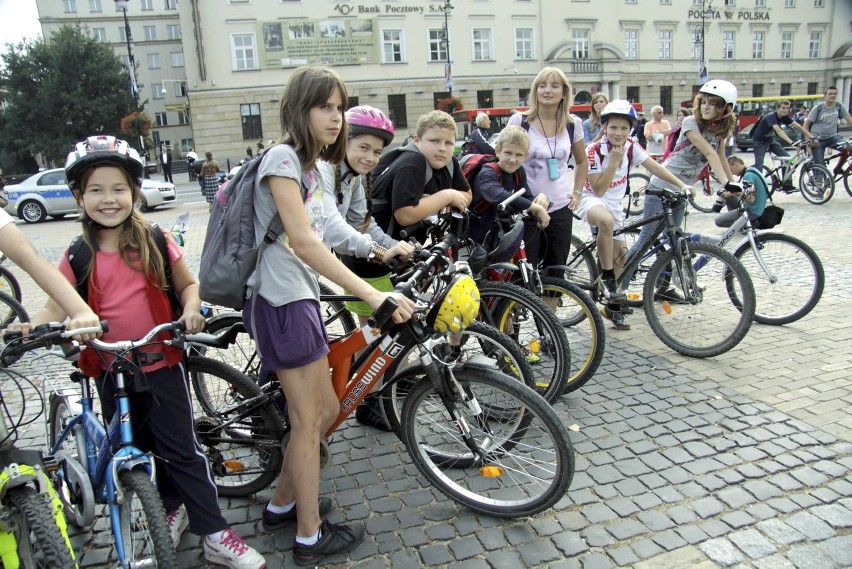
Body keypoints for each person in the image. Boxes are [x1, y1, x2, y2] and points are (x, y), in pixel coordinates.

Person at [18, 135, 266, 568]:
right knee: (141, 446)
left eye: (118, 189)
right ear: (79, 196)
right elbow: (55, 303)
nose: (108, 199)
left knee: (183, 450)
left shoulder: (153, 238)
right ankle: (167, 507)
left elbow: (188, 285)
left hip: (160, 362)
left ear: (134, 192)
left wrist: (190, 310)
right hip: (108, 367)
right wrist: (34, 325)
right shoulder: (77, 253)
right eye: (96, 190)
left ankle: (214, 532)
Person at [243, 66, 413, 565]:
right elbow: (303, 239)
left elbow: (331, 224)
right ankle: (309, 536)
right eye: (325, 107)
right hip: (279, 301)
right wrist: (371, 293)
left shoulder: (311, 165)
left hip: (300, 298)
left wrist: (376, 250)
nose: (336, 117)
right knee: (308, 419)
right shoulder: (281, 158)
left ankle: (283, 504)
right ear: (301, 109)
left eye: (340, 107)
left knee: (327, 412)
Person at [317, 105, 416, 429]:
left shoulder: (353, 178)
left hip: (308, 260)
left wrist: (394, 247)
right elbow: (330, 225)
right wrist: (376, 251)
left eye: (377, 151)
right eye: (363, 147)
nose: (372, 157)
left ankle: (366, 397)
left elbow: (362, 224)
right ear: (343, 141)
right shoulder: (322, 169)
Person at [573, 100, 695, 331]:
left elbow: (655, 167)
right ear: (605, 127)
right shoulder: (593, 150)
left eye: (624, 128)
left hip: (615, 204)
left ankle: (612, 305)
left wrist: (682, 185)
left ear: (630, 129)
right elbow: (598, 189)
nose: (618, 133)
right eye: (613, 128)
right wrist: (615, 162)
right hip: (591, 200)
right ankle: (607, 278)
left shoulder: (631, 146)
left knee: (622, 258)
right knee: (606, 223)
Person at [623, 80, 742, 299]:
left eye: (713, 104)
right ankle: (618, 288)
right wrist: (726, 183)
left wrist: (735, 182)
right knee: (646, 240)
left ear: (726, 108)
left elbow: (722, 157)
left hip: (681, 191)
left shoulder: (720, 130)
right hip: (661, 187)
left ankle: (665, 285)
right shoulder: (690, 122)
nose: (706, 107)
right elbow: (709, 154)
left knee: (674, 241)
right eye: (703, 102)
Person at [506, 66, 588, 293]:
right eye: (542, 86)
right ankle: (513, 325)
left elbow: (582, 162)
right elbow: (502, 160)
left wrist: (578, 192)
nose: (547, 90)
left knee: (556, 274)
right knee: (523, 275)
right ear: (535, 91)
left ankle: (549, 326)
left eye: (554, 86)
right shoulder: (520, 121)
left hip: (560, 206)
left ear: (564, 92)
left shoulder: (573, 124)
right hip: (526, 207)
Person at [468, 125, 550, 244]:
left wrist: (540, 196)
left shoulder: (518, 171)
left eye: (518, 155)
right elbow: (499, 195)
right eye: (508, 153)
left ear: (525, 156)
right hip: (477, 233)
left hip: (501, 230)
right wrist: (536, 207)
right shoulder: (487, 172)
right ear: (498, 151)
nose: (512, 159)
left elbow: (525, 196)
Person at [751, 99, 812, 171]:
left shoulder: (785, 116)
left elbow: (798, 126)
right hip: (759, 142)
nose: (785, 110)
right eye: (783, 108)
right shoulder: (770, 116)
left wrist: (811, 136)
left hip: (769, 140)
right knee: (759, 164)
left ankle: (786, 181)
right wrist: (792, 142)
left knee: (787, 158)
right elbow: (779, 131)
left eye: (787, 108)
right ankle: (757, 181)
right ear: (778, 108)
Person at [714, 155, 768, 228]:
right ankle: (739, 220)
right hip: (757, 208)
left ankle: (747, 225)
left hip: (752, 211)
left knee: (718, 221)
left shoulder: (748, 175)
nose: (732, 173)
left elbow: (751, 198)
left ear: (736, 165)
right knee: (728, 196)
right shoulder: (752, 170)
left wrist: (733, 193)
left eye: (731, 170)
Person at [804, 86, 852, 166]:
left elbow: (850, 120)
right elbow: (806, 125)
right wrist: (808, 143)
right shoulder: (818, 108)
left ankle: (838, 169)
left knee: (849, 148)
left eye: (835, 94)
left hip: (833, 137)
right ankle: (820, 176)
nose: (832, 96)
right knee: (820, 165)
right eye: (830, 94)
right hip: (818, 140)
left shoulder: (838, 106)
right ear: (825, 96)